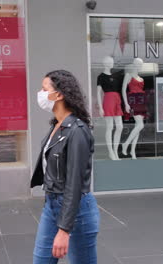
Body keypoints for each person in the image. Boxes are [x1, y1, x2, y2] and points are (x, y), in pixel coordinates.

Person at [31, 70, 100, 264]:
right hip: (52, 205)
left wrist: (64, 230)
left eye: (44, 89)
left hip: (77, 211)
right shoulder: (58, 125)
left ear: (59, 95)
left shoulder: (77, 131)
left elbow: (75, 183)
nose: (40, 94)